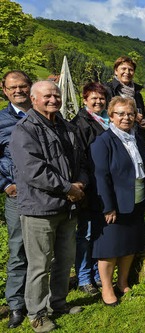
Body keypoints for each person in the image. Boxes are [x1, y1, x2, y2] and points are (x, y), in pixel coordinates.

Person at [10, 81, 87, 332]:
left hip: (67, 206)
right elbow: (34, 171)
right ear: (33, 100)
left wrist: (81, 184)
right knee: (39, 265)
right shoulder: (25, 130)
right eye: (47, 96)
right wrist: (68, 188)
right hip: (39, 208)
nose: (53, 99)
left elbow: (80, 159)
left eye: (56, 95)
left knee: (64, 260)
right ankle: (37, 314)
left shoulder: (66, 126)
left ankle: (59, 303)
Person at [90, 97, 145, 307]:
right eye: (120, 114)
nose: (126, 118)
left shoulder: (137, 138)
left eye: (130, 114)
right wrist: (108, 207)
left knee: (130, 244)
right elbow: (101, 176)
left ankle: (122, 282)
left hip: (137, 198)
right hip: (115, 203)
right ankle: (107, 289)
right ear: (111, 116)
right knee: (110, 248)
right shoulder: (103, 141)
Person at [70, 82, 110, 297]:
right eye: (93, 98)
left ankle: (97, 273)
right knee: (85, 235)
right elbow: (80, 159)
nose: (98, 101)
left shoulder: (108, 120)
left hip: (105, 186)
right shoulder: (80, 124)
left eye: (101, 98)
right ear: (85, 100)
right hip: (90, 186)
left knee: (98, 232)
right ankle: (84, 277)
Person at [0, 70, 31, 329]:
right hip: (18, 195)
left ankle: (38, 299)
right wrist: (5, 184)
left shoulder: (43, 111)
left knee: (43, 251)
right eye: (13, 87)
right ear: (5, 90)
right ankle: (16, 306)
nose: (18, 90)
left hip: (45, 195)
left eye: (23, 86)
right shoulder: (1, 120)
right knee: (19, 250)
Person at [104, 56, 145, 142]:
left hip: (136, 137)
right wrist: (131, 116)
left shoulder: (137, 93)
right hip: (116, 138)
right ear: (116, 71)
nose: (127, 72)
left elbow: (143, 115)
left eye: (130, 70)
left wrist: (144, 123)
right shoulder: (108, 90)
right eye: (123, 69)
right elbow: (105, 115)